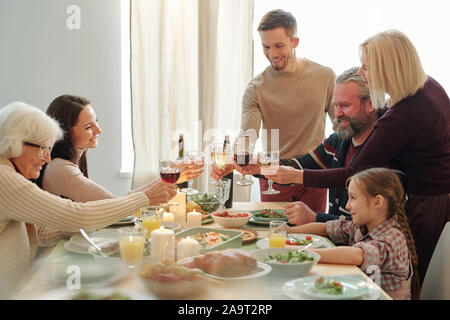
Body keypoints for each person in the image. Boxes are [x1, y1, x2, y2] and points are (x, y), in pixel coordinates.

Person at [269, 30, 450, 285]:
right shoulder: (428, 86)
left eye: (367, 66)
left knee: (414, 277)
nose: (362, 72)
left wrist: (297, 176)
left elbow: (353, 173)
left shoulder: (402, 115)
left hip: (428, 202)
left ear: (386, 68)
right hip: (438, 195)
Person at [0, 101, 177, 287]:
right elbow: (78, 214)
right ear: (15, 143)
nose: (47, 158)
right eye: (42, 148)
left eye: (49, 149)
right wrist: (145, 197)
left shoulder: (10, 173)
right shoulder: (4, 178)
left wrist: (94, 223)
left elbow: (41, 232)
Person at [224, 67, 383, 225]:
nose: (338, 113)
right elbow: (299, 166)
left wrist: (315, 218)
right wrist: (259, 168)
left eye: (345, 106)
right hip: (339, 242)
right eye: (336, 105)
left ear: (371, 104)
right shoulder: (337, 141)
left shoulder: (383, 147)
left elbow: (362, 226)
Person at [35, 94, 203, 244]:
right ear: (64, 132)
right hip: (53, 255)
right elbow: (114, 205)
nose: (98, 130)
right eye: (88, 127)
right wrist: (162, 183)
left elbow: (115, 204)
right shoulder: (60, 169)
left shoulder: (68, 163)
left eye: (96, 122)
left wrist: (169, 179)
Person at [238, 9, 336, 212]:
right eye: (266, 47)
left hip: (312, 175)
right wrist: (241, 154)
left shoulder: (325, 77)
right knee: (273, 235)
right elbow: (248, 136)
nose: (272, 54)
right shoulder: (256, 88)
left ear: (295, 42)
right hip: (274, 177)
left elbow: (341, 128)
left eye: (279, 46)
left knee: (312, 239)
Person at [285, 168, 419, 300]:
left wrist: (306, 254)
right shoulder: (362, 227)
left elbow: (358, 255)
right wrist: (289, 232)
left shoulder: (394, 239)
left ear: (377, 202)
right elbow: (326, 227)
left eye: (353, 198)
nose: (348, 205)